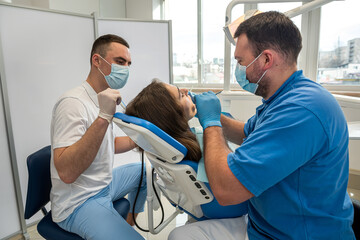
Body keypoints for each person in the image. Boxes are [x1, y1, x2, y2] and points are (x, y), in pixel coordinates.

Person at [169, 11, 355, 240]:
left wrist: (211, 123)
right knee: (180, 235)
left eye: (240, 62)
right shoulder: (284, 97)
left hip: (296, 235)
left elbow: (227, 190)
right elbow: (248, 133)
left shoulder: (301, 110)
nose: (238, 69)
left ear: (266, 59)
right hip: (262, 224)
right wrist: (211, 114)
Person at [50, 34, 146, 240]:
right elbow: (67, 172)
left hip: (103, 186)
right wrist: (103, 117)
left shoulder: (104, 98)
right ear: (97, 61)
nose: (125, 69)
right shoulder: (73, 103)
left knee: (145, 172)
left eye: (128, 64)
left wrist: (139, 139)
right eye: (120, 62)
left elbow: (103, 144)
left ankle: (127, 227)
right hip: (79, 201)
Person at [124, 79, 248, 223]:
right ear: (172, 116)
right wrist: (211, 121)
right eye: (180, 95)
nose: (186, 91)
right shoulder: (203, 142)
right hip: (231, 208)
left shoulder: (172, 147)